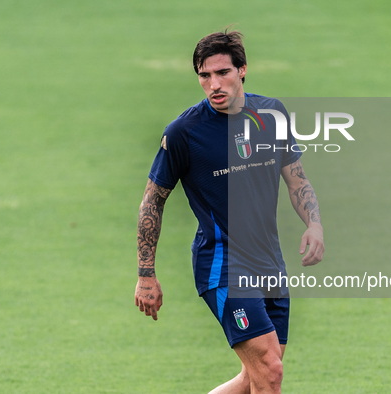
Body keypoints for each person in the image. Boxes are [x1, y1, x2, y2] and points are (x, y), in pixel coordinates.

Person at [135, 29, 324, 394]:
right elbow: (152, 201)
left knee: (256, 376)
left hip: (269, 262)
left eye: (222, 72)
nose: (213, 84)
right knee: (269, 370)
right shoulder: (183, 133)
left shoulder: (271, 114)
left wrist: (314, 224)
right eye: (204, 76)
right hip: (223, 264)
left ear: (243, 70)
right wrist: (146, 274)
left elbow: (297, 179)